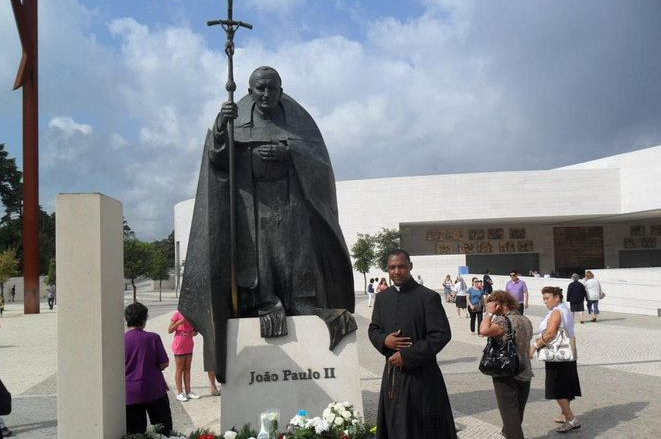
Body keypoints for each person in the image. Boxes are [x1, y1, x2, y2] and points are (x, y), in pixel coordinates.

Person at [178, 66, 355, 383]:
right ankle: (265, 303)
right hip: (253, 207)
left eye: (272, 89)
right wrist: (221, 124)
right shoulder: (236, 119)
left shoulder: (298, 122)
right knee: (261, 262)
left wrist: (289, 153)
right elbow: (218, 159)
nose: (266, 94)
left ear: (281, 90)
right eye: (260, 88)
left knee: (299, 259)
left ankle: (304, 306)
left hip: (291, 206)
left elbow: (319, 161)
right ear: (249, 91)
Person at [368, 249, 457, 438]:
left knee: (420, 428)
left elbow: (441, 334)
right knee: (394, 424)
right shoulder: (383, 298)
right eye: (392, 267)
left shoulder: (428, 297)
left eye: (401, 266)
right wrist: (385, 340)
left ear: (410, 267)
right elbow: (373, 329)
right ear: (387, 269)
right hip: (392, 377)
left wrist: (407, 355)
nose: (397, 271)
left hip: (422, 378)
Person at [479, 291, 533, 439]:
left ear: (499, 304)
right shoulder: (525, 320)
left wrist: (489, 314)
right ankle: (507, 432)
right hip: (525, 371)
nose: (490, 308)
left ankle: (511, 433)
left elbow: (483, 330)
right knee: (516, 415)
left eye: (491, 305)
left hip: (506, 372)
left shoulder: (502, 321)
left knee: (510, 415)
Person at [530, 287, 582, 433]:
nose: (545, 301)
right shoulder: (564, 310)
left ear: (557, 297)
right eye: (544, 299)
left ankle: (571, 419)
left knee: (557, 387)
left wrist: (535, 346)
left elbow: (551, 333)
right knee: (565, 385)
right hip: (566, 354)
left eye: (547, 298)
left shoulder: (557, 312)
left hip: (557, 355)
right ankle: (564, 413)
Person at [124, 302, 173, 436]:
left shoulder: (121, 339)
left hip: (130, 392)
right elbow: (164, 363)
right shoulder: (152, 338)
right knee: (163, 429)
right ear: (144, 319)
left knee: (135, 432)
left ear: (127, 319)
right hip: (154, 389)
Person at [168, 310, 200, 402]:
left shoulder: (192, 315)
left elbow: (195, 331)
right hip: (179, 345)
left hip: (189, 345)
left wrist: (195, 332)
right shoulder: (177, 314)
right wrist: (179, 322)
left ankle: (188, 392)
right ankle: (179, 393)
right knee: (179, 369)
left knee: (187, 368)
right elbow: (169, 330)